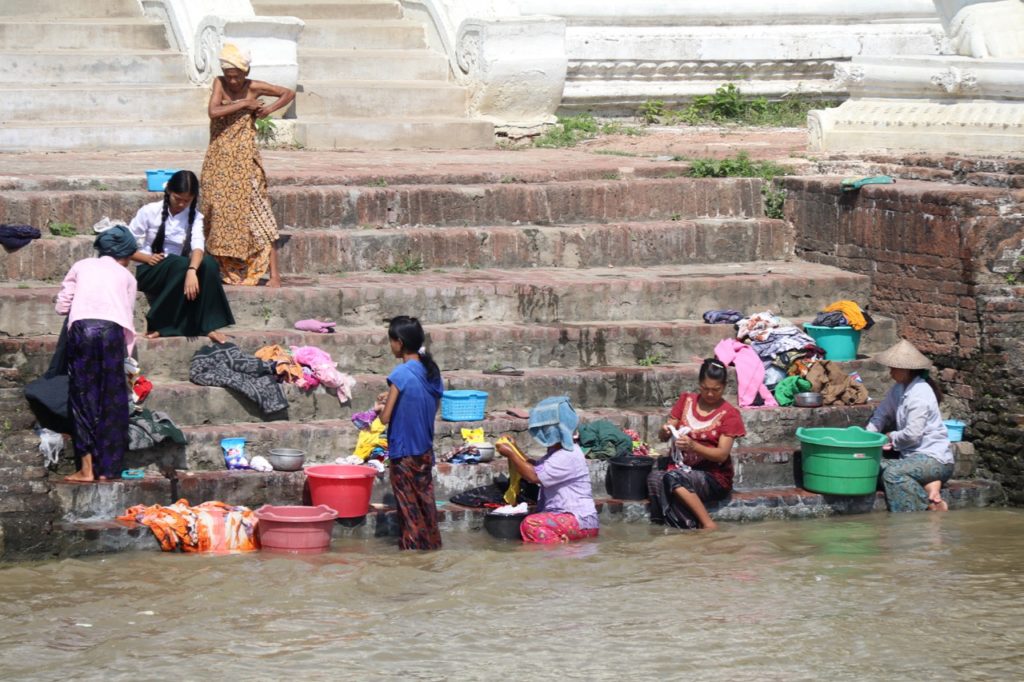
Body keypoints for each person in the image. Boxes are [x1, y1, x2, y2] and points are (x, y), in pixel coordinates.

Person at [200, 42, 294, 288]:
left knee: (259, 214)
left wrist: (269, 109)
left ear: (246, 72)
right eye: (229, 75)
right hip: (219, 158)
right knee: (216, 210)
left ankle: (274, 275)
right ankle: (218, 268)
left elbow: (288, 93)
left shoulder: (255, 87)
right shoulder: (219, 83)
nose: (232, 81)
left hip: (245, 161)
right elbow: (213, 111)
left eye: (237, 76)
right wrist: (244, 104)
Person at [55, 225, 139, 481]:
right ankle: (108, 470)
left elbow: (62, 306)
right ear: (125, 255)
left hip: (83, 332)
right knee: (111, 401)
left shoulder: (81, 266)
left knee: (83, 399)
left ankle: (86, 469)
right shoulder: (128, 277)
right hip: (112, 333)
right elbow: (127, 313)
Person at [129, 170, 235, 343]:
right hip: (150, 270)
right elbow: (125, 246)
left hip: (179, 269)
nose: (181, 204)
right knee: (179, 264)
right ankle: (160, 324)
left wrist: (192, 271)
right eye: (178, 199)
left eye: (187, 201)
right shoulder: (149, 211)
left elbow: (198, 247)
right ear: (169, 191)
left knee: (208, 263)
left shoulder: (196, 217)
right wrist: (146, 258)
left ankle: (208, 324)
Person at [647, 358, 746, 530]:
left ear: (724, 387)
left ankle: (708, 524)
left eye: (716, 390)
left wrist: (694, 447)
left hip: (712, 476)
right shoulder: (686, 400)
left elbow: (722, 454)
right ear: (699, 384)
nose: (709, 394)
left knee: (673, 477)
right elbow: (665, 433)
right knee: (654, 478)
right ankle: (676, 525)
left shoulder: (730, 414)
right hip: (680, 468)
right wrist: (666, 430)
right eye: (705, 389)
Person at [378, 316, 444, 550]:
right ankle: (432, 547)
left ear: (400, 342)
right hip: (424, 450)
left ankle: (412, 555)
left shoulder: (401, 375)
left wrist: (379, 408)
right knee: (426, 505)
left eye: (391, 341)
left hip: (403, 452)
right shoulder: (432, 372)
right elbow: (430, 404)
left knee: (409, 510)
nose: (391, 346)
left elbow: (385, 418)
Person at [866, 339, 955, 512]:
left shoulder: (920, 394)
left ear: (906, 370)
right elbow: (881, 414)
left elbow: (913, 435)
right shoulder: (898, 389)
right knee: (871, 468)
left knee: (893, 474)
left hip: (934, 460)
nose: (890, 372)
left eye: (894, 368)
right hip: (910, 458)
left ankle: (924, 510)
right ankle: (931, 489)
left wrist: (891, 436)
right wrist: (867, 436)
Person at [496, 396, 599, 544]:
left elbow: (533, 476)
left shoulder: (567, 455)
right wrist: (514, 449)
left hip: (578, 520)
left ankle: (558, 545)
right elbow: (532, 467)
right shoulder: (557, 454)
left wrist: (511, 453)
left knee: (530, 523)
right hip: (565, 517)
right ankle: (558, 541)